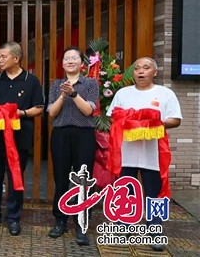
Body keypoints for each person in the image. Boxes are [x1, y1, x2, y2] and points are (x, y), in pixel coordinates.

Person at [106, 57, 181, 252]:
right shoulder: (123, 93)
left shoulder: (165, 94)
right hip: (127, 152)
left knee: (155, 193)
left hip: (153, 154)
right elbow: (112, 117)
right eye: (137, 68)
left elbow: (175, 120)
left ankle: (155, 230)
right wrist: (128, 120)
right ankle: (124, 225)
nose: (140, 71)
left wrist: (151, 123)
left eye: (146, 68)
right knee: (125, 191)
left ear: (154, 72)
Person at [0, 42, 44, 236]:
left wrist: (19, 113)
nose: (0, 60)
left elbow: (39, 108)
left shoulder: (31, 81)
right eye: (0, 56)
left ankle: (13, 218)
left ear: (16, 58)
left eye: (3, 56)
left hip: (19, 139)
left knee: (15, 179)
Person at [47, 46, 99, 245]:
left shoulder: (90, 84)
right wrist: (63, 95)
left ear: (81, 63)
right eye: (66, 58)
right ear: (62, 64)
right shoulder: (56, 85)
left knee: (83, 181)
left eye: (74, 58)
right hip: (60, 134)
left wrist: (74, 94)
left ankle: (81, 225)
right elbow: (51, 113)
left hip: (84, 135)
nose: (70, 61)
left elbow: (88, 111)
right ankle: (60, 221)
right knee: (60, 179)